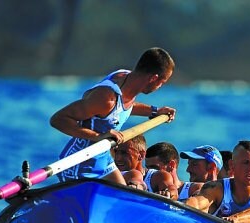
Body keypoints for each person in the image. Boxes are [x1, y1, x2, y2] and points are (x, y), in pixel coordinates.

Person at [51, 47, 176, 184]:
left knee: (123, 197)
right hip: (79, 164)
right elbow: (58, 120)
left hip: (104, 161)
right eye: (162, 83)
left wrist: (155, 111)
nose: (160, 87)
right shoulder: (106, 97)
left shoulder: (127, 79)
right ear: (153, 78)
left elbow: (124, 107)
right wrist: (98, 136)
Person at [186, 140, 250, 223]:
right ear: (232, 165)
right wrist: (180, 205)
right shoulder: (216, 188)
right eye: (246, 162)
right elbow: (197, 202)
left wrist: (236, 219)